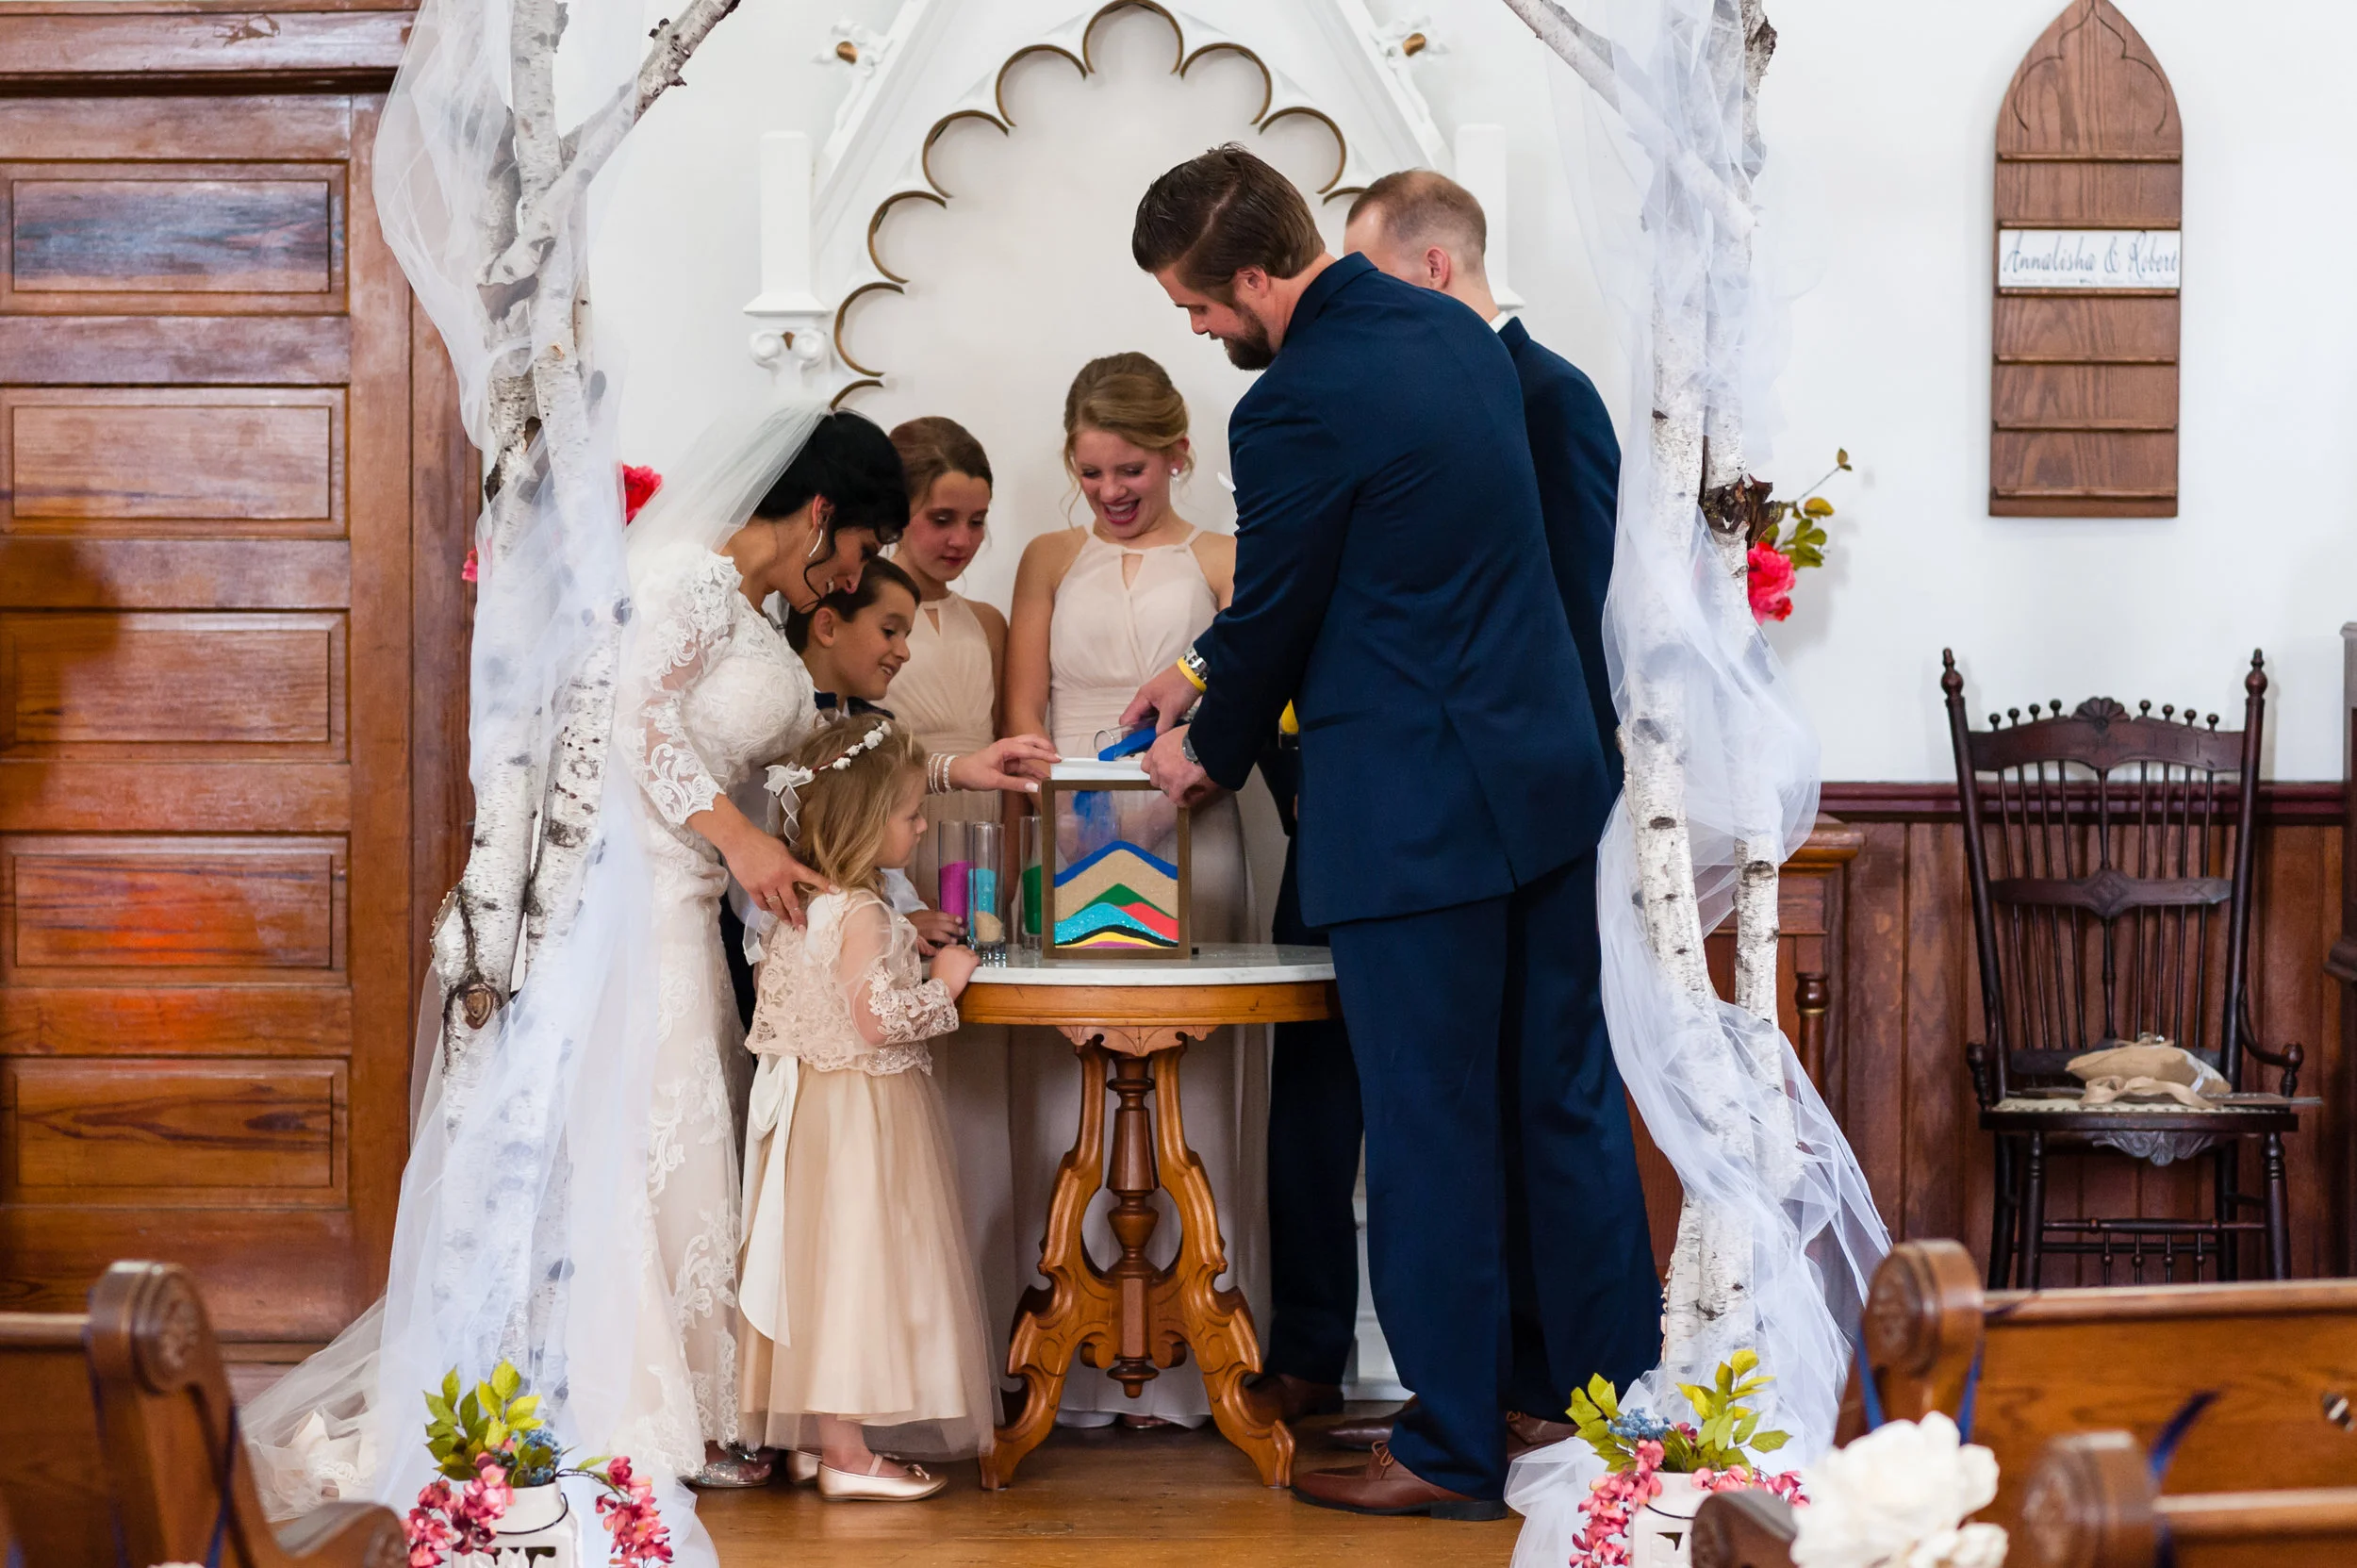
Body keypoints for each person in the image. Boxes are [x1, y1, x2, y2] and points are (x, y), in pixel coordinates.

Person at [1122, 146, 1658, 1518]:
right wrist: (1199, 672)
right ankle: (1597, 1405)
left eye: (1198, 305)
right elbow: (1408, 565)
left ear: (1253, 277)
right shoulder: (1459, 338)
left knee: (1425, 1130)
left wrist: (1204, 748)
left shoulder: (1291, 404)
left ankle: (1448, 1449)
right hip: (1538, 787)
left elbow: (1285, 599)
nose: (1199, 329)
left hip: (1416, 813)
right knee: (1560, 1102)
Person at [1256, 170, 1633, 1451]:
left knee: (1546, 1099)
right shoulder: (1426, 391)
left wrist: (1544, 801)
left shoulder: (1542, 395)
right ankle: (1512, 1385)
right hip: (1441, 804)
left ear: (1427, 270)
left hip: (1521, 801)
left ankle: (1578, 1387)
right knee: (1473, 1104)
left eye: (1365, 278)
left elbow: (1565, 622)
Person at [617, 405, 1054, 1487]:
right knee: (668, 1130)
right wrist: (741, 839)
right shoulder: (687, 576)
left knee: (700, 1131)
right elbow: (632, 717)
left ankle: (708, 1402)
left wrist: (952, 772)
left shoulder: (756, 609)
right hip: (649, 881)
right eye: (861, 547)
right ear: (819, 513)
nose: (855, 575)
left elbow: (815, 752)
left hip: (700, 886)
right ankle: (652, 1404)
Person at [1003, 353, 1265, 1429]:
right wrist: (1049, 832)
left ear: (1177, 455)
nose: (1112, 490)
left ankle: (1190, 1365)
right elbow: (1022, 715)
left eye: (1133, 469)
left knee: (1191, 1081)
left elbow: (1248, 698)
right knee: (1061, 1083)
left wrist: (1180, 785)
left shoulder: (1222, 559)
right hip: (1066, 834)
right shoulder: (1046, 557)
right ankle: (1067, 1348)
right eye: (1093, 471)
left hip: (1192, 831)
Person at [735, 716, 996, 1501]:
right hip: (861, 1113)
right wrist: (945, 982)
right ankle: (848, 1456)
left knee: (817, 1268)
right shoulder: (864, 914)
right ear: (865, 820)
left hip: (809, 1111)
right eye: (911, 814)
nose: (921, 827)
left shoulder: (794, 908)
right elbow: (877, 1021)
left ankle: (818, 1438)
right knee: (859, 1264)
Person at [880, 417, 1028, 1398]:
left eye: (976, 521)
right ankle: (907, 1359)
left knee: (978, 1096)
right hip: (895, 844)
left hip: (977, 860)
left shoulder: (986, 623)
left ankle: (983, 1342)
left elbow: (1006, 763)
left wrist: (1009, 881)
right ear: (899, 512)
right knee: (906, 1086)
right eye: (941, 519)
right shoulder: (859, 607)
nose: (961, 541)